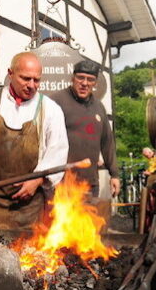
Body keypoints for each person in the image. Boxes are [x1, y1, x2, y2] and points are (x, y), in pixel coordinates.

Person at [0, 52, 69, 230]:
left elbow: (57, 152)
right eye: (25, 78)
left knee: (29, 255)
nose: (32, 85)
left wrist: (38, 180)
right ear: (10, 74)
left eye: (36, 80)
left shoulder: (50, 110)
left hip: (28, 203)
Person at [50, 60, 120, 198]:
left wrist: (115, 174)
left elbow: (107, 143)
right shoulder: (56, 101)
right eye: (80, 77)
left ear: (95, 83)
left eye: (90, 79)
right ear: (72, 78)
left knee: (89, 220)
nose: (85, 83)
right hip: (62, 183)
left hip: (90, 184)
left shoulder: (99, 107)